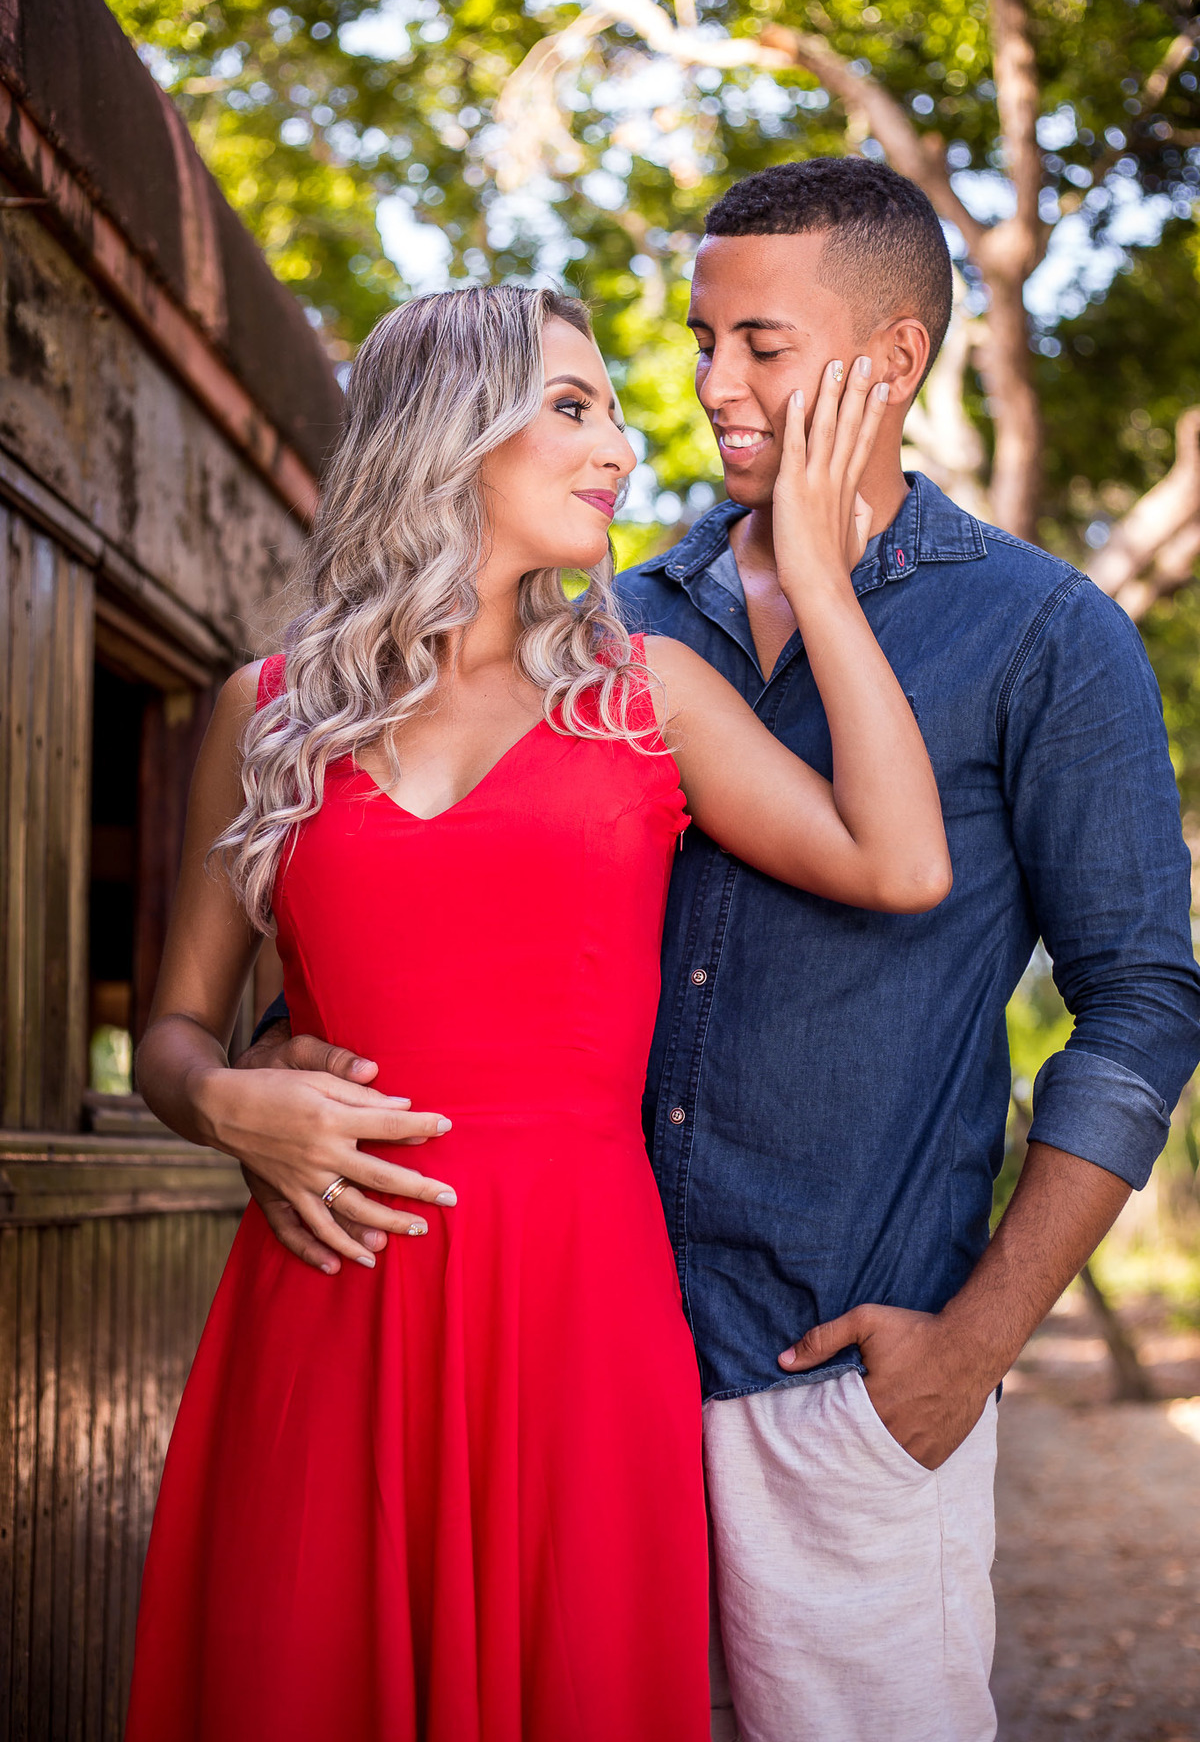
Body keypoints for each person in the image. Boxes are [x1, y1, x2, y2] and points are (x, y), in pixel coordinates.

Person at [245, 161, 1200, 1742]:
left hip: (834, 1376)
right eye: (701, 341)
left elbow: (1142, 1006)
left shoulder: (1043, 635)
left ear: (893, 358)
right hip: (562, 1366)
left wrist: (976, 1344)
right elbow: (405, 932)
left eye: (761, 344)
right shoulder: (598, 632)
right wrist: (255, 1079)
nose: (709, 387)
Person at [123, 282, 950, 1742]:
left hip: (576, 1303)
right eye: (574, 407)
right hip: (330, 1287)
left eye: (615, 414)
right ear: (448, 430)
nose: (620, 448)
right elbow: (172, 1036)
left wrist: (820, 579)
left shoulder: (646, 698)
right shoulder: (272, 714)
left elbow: (901, 864)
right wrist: (224, 1102)